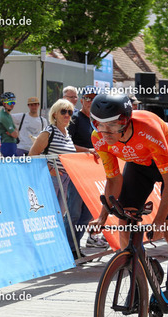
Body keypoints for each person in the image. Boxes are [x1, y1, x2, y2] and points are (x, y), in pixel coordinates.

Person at [88, 94, 168, 317]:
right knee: (124, 225)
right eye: (99, 125)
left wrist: (159, 221)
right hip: (139, 166)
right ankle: (138, 276)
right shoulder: (98, 137)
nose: (105, 132)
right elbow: (113, 179)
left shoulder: (148, 130)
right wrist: (102, 216)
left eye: (111, 126)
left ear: (125, 121)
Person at [29, 99, 97, 259]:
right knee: (47, 215)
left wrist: (88, 151)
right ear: (54, 114)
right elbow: (32, 155)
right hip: (51, 180)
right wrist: (50, 169)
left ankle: (54, 252)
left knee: (58, 216)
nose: (67, 115)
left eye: (70, 112)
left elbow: (70, 151)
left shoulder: (66, 133)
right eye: (63, 112)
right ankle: (41, 254)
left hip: (65, 179)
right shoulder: (48, 132)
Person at [68, 85, 108, 249]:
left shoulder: (97, 121)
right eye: (88, 98)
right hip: (77, 171)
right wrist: (88, 150)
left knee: (88, 212)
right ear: (81, 100)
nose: (91, 101)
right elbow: (67, 144)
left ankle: (76, 246)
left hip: (93, 173)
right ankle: (69, 248)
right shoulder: (75, 118)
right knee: (74, 212)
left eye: (94, 98)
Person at [0, 92, 19, 157]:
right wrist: (15, 132)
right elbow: (15, 135)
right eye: (10, 103)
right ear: (4, 104)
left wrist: (14, 132)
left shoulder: (7, 114)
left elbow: (15, 132)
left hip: (10, 145)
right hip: (8, 145)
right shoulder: (4, 116)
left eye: (13, 103)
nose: (12, 105)